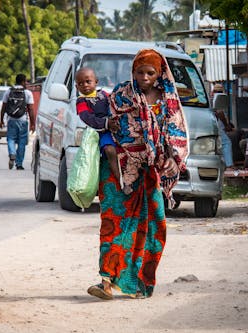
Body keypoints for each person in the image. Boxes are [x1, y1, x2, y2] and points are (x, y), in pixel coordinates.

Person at [87, 49, 188, 300]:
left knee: (152, 226)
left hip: (150, 172)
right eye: (139, 72)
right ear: (132, 72)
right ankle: (106, 282)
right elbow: (103, 123)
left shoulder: (168, 101)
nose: (144, 77)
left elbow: (176, 136)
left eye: (150, 73)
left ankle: (139, 284)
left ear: (159, 74)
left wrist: (166, 158)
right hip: (117, 169)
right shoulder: (120, 95)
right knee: (113, 223)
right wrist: (111, 148)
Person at [75, 67, 123, 192]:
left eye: (87, 81)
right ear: (76, 87)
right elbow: (87, 117)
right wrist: (106, 123)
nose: (84, 85)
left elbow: (115, 105)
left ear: (96, 81)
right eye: (80, 83)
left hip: (116, 127)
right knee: (110, 150)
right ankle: (121, 180)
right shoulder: (81, 101)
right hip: (100, 132)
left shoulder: (104, 94)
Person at [0, 74, 35, 170]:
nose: (27, 83)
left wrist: (1, 120)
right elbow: (31, 109)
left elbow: (4, 107)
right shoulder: (27, 93)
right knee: (22, 142)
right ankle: (19, 164)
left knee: (11, 138)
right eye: (26, 81)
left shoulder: (8, 91)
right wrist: (33, 124)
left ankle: (12, 154)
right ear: (23, 82)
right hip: (23, 120)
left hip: (11, 120)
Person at [211, 84, 234, 169]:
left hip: (215, 124)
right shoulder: (220, 97)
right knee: (226, 143)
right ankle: (229, 165)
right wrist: (226, 125)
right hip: (219, 126)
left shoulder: (213, 98)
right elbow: (220, 112)